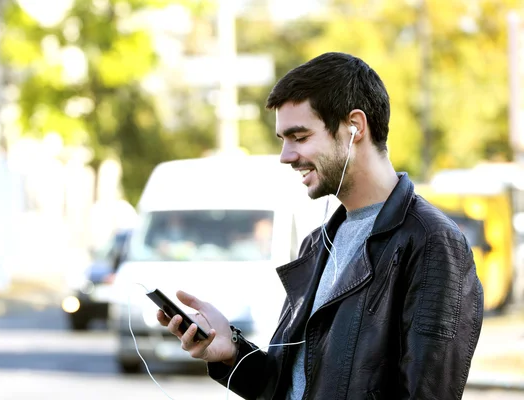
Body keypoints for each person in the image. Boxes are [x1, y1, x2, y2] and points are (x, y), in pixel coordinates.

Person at [157, 52, 483, 399]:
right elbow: (289, 385)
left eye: (299, 136)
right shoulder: (318, 243)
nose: (286, 156)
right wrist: (232, 350)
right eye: (283, 140)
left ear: (354, 127)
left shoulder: (432, 241)